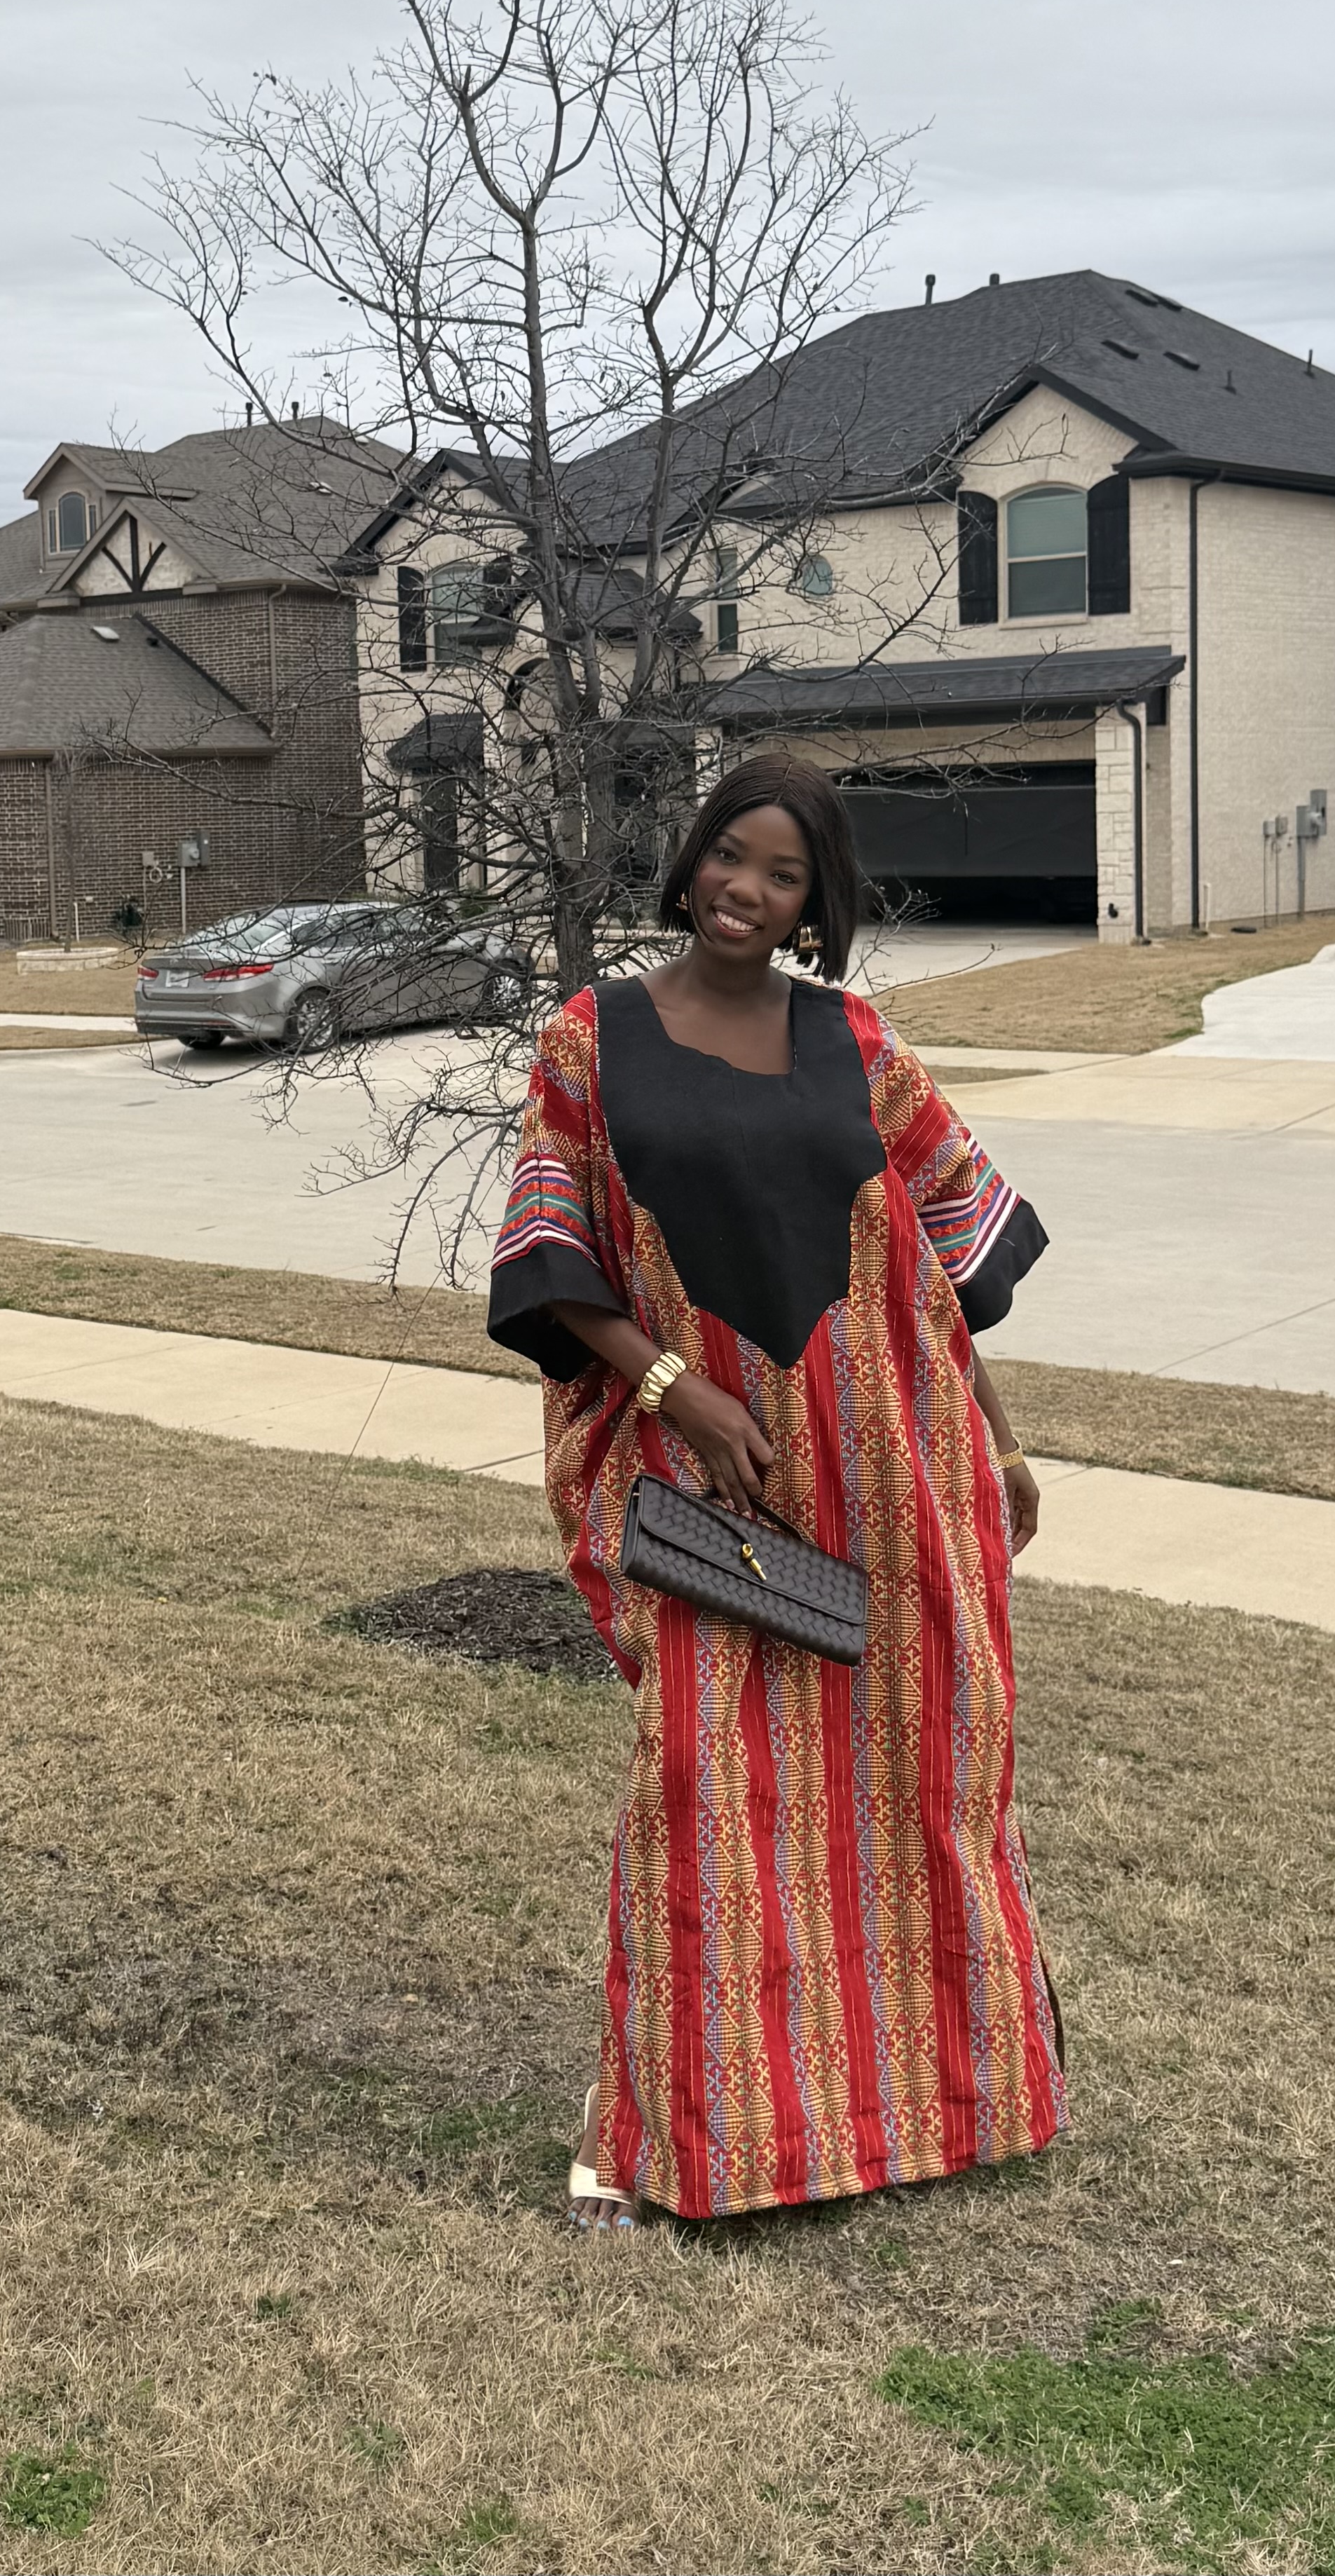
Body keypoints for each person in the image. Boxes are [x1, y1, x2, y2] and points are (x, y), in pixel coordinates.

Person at [487, 754, 1064, 2228]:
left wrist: (999, 1442)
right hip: (704, 1487)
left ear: (815, 905)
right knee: (705, 1789)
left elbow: (941, 1269)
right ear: (688, 863)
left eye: (784, 873)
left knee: (918, 1773)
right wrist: (677, 1390)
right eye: (729, 856)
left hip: (892, 1471)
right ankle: (659, 2137)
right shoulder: (590, 1039)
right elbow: (551, 1258)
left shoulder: (856, 1043)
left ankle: (929, 2107)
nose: (746, 888)